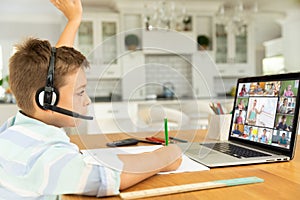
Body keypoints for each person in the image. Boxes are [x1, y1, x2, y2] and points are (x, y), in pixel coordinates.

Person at [0, 1, 182, 199]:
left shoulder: (14, 130)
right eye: (80, 92)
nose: (87, 101)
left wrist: (74, 20)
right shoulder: (44, 157)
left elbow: (58, 74)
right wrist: (166, 156)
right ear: (47, 99)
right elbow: (106, 178)